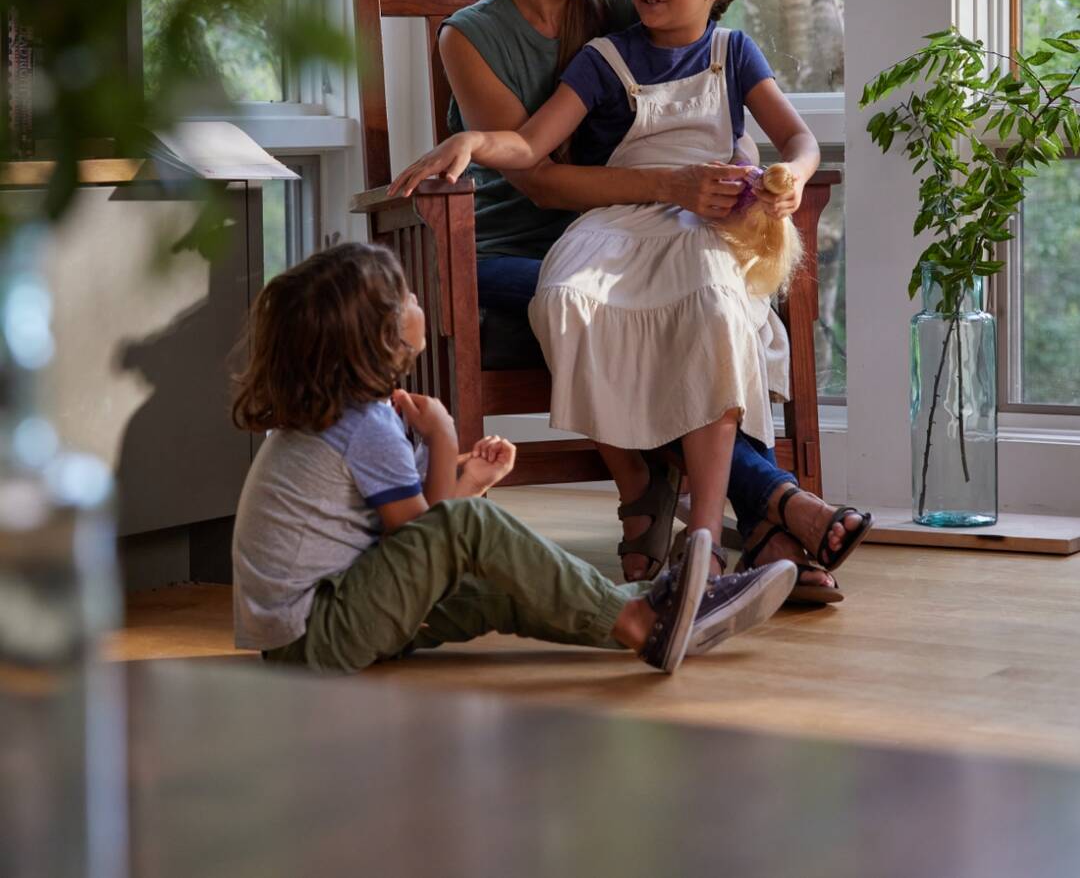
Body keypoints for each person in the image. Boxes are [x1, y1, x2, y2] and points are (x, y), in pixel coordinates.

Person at [392, 0, 872, 584]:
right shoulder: (600, 56)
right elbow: (531, 147)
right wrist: (472, 137)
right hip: (619, 224)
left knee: (710, 310)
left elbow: (796, 138)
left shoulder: (733, 52)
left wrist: (791, 176)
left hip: (700, 228)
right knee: (563, 296)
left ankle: (704, 535)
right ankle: (756, 511)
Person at [229, 242, 797, 676]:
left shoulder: (347, 415)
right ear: (376, 337)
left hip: (310, 634)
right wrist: (446, 436)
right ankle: (645, 620)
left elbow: (407, 533)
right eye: (405, 298)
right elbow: (424, 534)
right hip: (320, 634)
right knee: (469, 527)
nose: (417, 301)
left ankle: (664, 609)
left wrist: (466, 478)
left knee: (512, 581)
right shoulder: (367, 424)